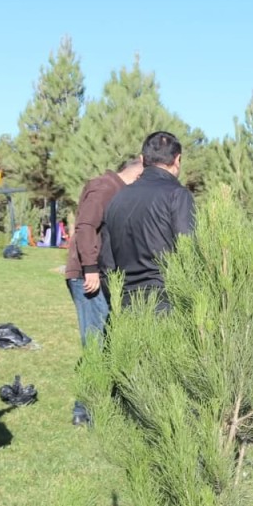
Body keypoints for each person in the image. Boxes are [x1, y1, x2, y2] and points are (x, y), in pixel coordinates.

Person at [64, 156, 144, 425]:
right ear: (138, 169)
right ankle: (83, 411)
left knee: (106, 339)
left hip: (104, 276)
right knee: (95, 343)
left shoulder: (117, 189)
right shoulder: (105, 186)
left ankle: (103, 403)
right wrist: (90, 267)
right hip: (89, 277)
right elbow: (85, 226)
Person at [103, 131, 195, 309]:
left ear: (142, 159)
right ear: (177, 159)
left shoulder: (117, 199)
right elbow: (189, 250)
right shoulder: (177, 195)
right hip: (166, 303)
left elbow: (106, 263)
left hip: (124, 304)